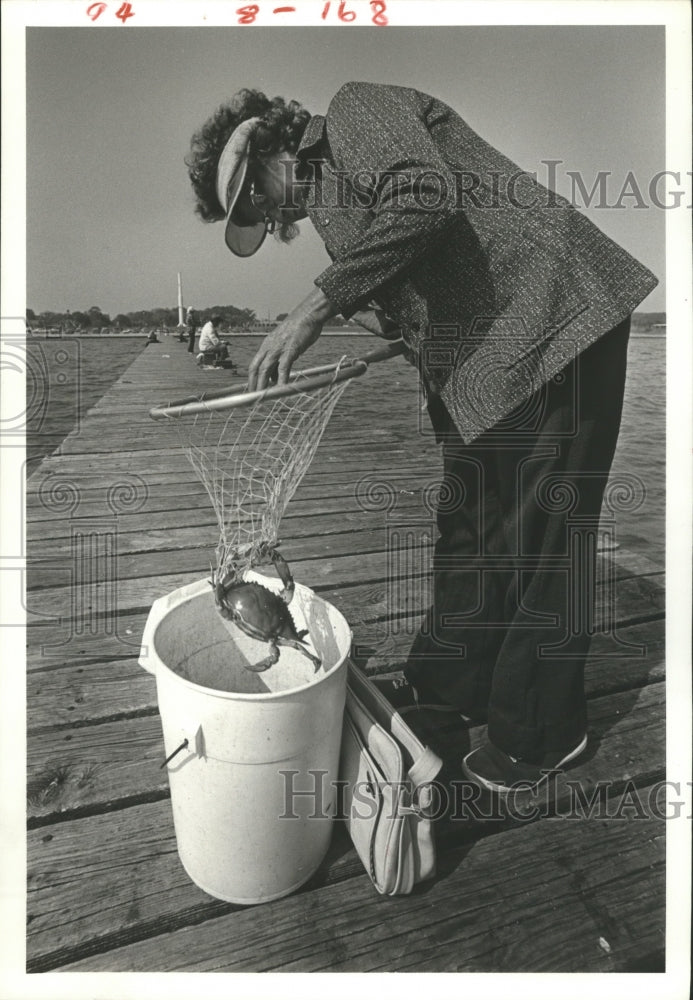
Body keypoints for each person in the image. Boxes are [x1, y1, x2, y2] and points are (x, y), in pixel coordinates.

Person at [186, 83, 658, 794]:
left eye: (256, 195)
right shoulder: (328, 210)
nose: (267, 214)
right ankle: (450, 683)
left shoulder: (353, 112)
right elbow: (418, 288)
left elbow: (425, 198)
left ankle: (542, 733)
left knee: (543, 535)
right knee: (467, 523)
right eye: (252, 213)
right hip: (482, 361)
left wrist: (315, 307)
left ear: (271, 145)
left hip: (558, 316)